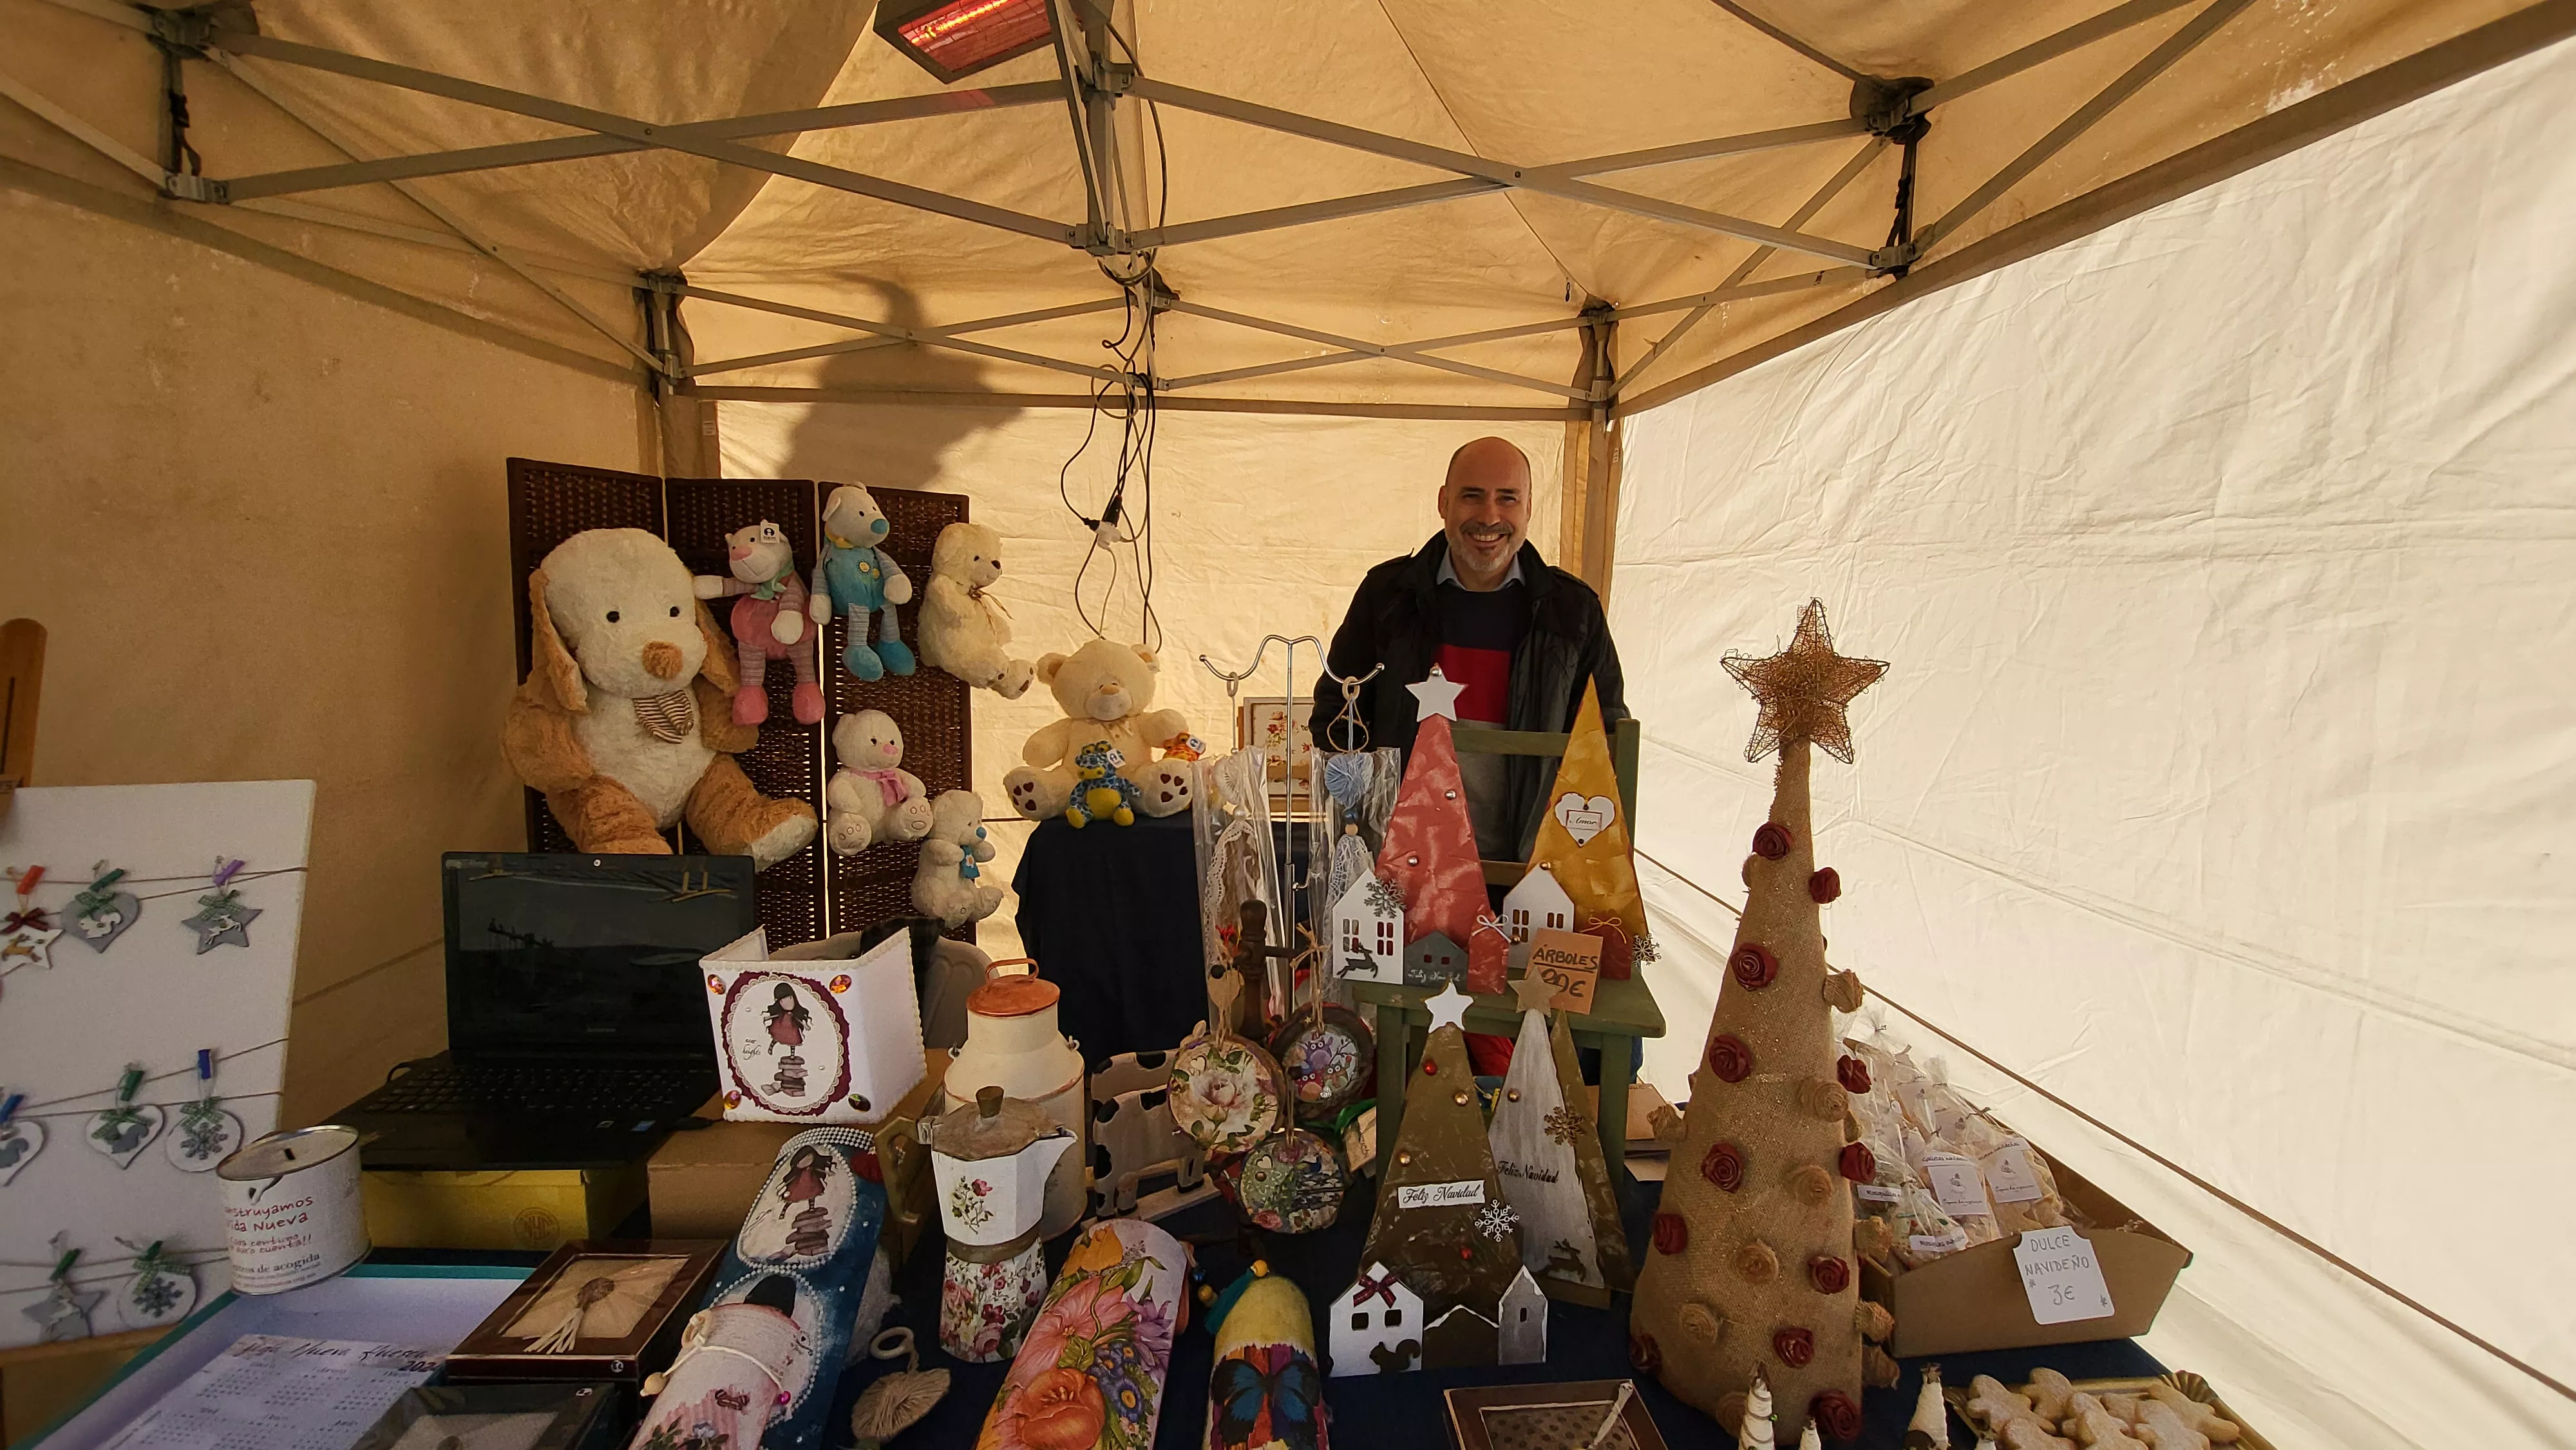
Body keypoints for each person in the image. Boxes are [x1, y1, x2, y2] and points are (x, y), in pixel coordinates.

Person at [1309, 436, 1627, 863]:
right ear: (1444, 502)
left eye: (1508, 499)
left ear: (1530, 508)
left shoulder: (1574, 613)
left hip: (1527, 876)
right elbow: (1336, 711)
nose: (1489, 517)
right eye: (1471, 497)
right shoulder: (1387, 597)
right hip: (1402, 874)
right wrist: (1366, 826)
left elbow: (1604, 739)